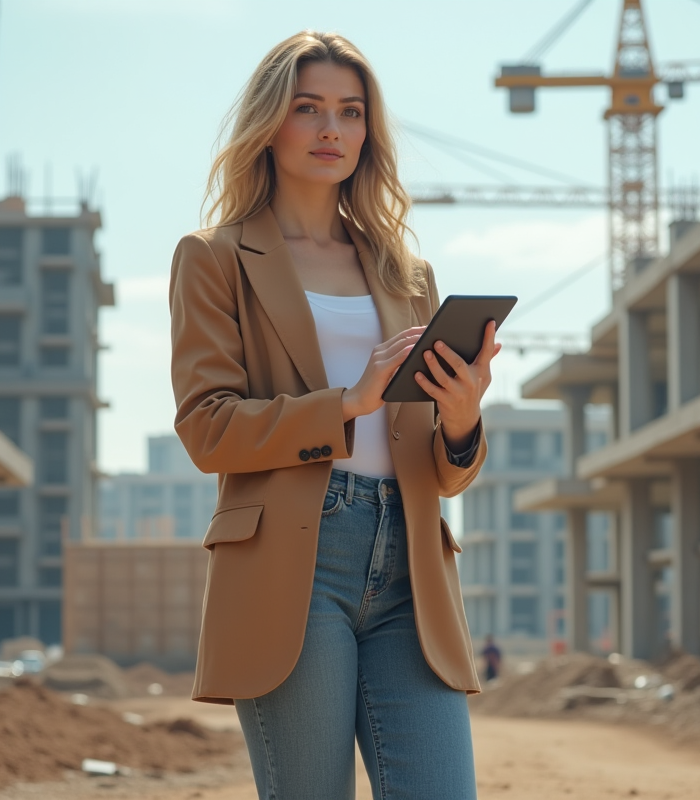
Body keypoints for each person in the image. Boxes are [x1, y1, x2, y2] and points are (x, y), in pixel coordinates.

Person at [168, 31, 500, 800]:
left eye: (350, 113)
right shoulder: (214, 257)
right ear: (269, 124)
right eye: (308, 108)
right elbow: (207, 427)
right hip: (294, 567)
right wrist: (348, 403)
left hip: (410, 566)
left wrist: (461, 419)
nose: (331, 131)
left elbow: (446, 473)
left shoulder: (407, 271)